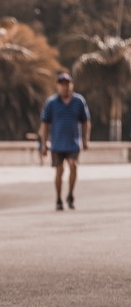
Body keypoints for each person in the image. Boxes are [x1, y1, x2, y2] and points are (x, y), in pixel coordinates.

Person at [39, 72, 90, 210]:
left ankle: (71, 194)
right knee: (59, 170)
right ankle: (58, 199)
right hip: (57, 143)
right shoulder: (51, 103)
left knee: (73, 166)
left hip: (73, 142)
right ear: (58, 86)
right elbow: (44, 125)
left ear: (71, 85)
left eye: (67, 84)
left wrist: (85, 139)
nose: (65, 87)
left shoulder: (79, 101)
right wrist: (43, 144)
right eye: (62, 85)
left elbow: (85, 121)